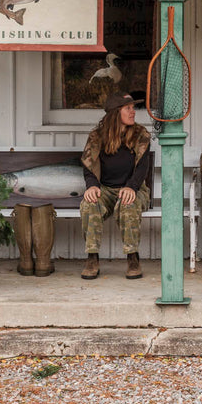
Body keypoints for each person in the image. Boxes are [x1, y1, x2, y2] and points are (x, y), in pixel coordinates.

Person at [78, 91, 152, 280]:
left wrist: (131, 187)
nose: (133, 111)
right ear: (115, 113)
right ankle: (92, 258)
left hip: (134, 189)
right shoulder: (97, 137)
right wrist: (92, 186)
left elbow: (143, 168)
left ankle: (132, 258)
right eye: (128, 108)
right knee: (89, 203)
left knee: (128, 203)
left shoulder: (140, 135)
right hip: (106, 190)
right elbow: (88, 165)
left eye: (133, 108)